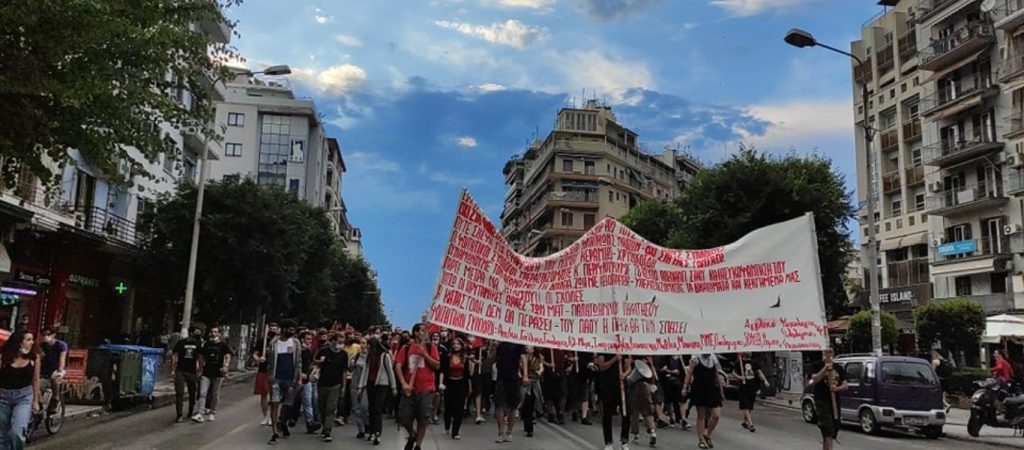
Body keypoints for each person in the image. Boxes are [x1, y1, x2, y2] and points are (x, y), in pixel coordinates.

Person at [395, 323, 441, 450]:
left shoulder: (431, 347)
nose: (424, 333)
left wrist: (425, 354)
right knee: (404, 418)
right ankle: (412, 435)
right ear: (415, 332)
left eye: (426, 331)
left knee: (423, 418)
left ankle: (418, 446)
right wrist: (404, 383)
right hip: (410, 389)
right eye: (421, 330)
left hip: (427, 388)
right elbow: (398, 366)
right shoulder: (406, 347)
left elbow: (437, 366)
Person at [0, 330, 41, 449]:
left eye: (32, 340)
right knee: (2, 435)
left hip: (23, 397)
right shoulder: (4, 357)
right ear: (19, 342)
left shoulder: (34, 358)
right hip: (3, 396)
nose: (32, 343)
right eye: (28, 340)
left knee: (17, 432)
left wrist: (35, 401)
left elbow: (36, 380)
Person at [357, 334, 397, 446]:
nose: (368, 347)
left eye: (369, 345)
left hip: (382, 384)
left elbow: (390, 372)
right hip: (370, 384)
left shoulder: (385, 356)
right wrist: (361, 386)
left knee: (377, 408)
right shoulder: (369, 356)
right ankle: (372, 430)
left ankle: (377, 432)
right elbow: (365, 371)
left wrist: (393, 387)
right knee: (371, 407)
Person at [267, 325, 301, 445]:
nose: (292, 332)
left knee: (287, 404)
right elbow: (269, 360)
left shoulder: (296, 343)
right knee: (275, 403)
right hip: (276, 378)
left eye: (293, 330)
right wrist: (269, 376)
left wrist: (298, 378)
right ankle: (274, 432)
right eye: (290, 329)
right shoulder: (273, 343)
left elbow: (298, 362)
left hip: (290, 379)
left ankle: (283, 422)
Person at [810, 348, 848, 450]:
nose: (828, 354)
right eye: (826, 352)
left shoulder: (839, 368)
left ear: (833, 353)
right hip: (822, 401)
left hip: (834, 402)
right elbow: (815, 379)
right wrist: (825, 368)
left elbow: (845, 385)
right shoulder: (817, 365)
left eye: (830, 352)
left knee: (833, 429)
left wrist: (837, 388)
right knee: (828, 428)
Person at [684, 354, 723, 449]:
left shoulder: (713, 358)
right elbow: (689, 373)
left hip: (712, 389)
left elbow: (716, 374)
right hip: (699, 388)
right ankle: (701, 439)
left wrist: (721, 389)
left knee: (716, 415)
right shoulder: (695, 358)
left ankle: (707, 434)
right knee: (701, 415)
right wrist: (685, 387)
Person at [315, 333, 348, 443]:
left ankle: (327, 430)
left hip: (336, 384)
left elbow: (344, 371)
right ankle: (325, 424)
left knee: (331, 407)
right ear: (332, 341)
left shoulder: (343, 354)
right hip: (322, 383)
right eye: (339, 342)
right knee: (322, 406)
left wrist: (343, 386)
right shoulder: (323, 351)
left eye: (342, 342)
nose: (340, 344)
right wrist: (320, 361)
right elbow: (314, 363)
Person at [195, 326, 232, 423]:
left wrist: (226, 366)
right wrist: (200, 368)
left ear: (219, 334)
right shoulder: (207, 344)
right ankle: (200, 413)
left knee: (215, 394)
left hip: (218, 373)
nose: (213, 334)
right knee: (202, 393)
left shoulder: (223, 345)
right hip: (206, 372)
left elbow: (228, 355)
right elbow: (201, 356)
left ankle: (212, 412)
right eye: (212, 332)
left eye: (215, 332)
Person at [595, 352, 630, 450]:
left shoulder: (624, 349)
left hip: (622, 386)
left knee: (626, 413)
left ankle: (624, 441)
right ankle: (608, 442)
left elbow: (628, 367)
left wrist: (625, 374)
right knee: (607, 414)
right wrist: (615, 359)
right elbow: (602, 367)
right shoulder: (604, 349)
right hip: (608, 386)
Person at [493, 340, 526, 444]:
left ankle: (509, 432)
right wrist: (494, 346)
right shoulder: (500, 344)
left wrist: (525, 374)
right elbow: (494, 358)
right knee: (499, 405)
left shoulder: (518, 343)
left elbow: (523, 358)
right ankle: (500, 433)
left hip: (513, 378)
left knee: (513, 405)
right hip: (501, 378)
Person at [441, 337, 471, 439]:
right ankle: (447, 426)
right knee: (448, 407)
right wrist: (441, 383)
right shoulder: (447, 357)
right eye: (454, 344)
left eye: (458, 344)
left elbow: (467, 374)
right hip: (449, 383)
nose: (456, 346)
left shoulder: (465, 358)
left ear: (461, 346)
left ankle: (455, 432)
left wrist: (469, 387)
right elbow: (443, 371)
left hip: (461, 384)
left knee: (459, 409)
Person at [624, 356, 658, 447]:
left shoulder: (632, 356)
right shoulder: (649, 358)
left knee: (634, 411)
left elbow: (628, 367)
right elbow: (654, 376)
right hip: (646, 387)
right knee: (647, 411)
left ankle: (636, 434)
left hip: (634, 386)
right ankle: (652, 431)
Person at [171, 327, 203, 424]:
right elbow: (175, 356)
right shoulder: (181, 343)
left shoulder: (198, 344)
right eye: (196, 333)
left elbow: (201, 357)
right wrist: (173, 370)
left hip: (192, 371)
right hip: (180, 370)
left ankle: (190, 411)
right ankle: (179, 414)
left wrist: (200, 369)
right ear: (191, 333)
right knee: (179, 393)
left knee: (192, 392)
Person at [731, 353, 768, 433]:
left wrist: (765, 381)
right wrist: (739, 377)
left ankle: (745, 421)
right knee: (745, 405)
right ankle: (751, 424)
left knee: (750, 405)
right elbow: (733, 373)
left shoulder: (754, 363)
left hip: (752, 387)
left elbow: (759, 372)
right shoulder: (738, 362)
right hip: (743, 387)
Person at [253, 322, 279, 426]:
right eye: (271, 328)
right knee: (264, 395)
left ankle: (273, 417)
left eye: (274, 328)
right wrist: (259, 359)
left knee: (275, 395)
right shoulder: (262, 341)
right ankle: (265, 416)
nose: (272, 330)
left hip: (275, 371)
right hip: (263, 370)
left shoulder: (279, 342)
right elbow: (254, 354)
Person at [39, 328, 67, 414]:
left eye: (48, 334)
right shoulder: (41, 345)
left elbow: (62, 360)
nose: (45, 337)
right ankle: (40, 405)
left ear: (53, 335)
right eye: (43, 335)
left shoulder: (61, 345)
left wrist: (60, 371)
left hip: (56, 369)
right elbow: (39, 357)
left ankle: (55, 398)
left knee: (55, 378)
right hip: (43, 370)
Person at [660, 354, 689, 430]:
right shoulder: (666, 358)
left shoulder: (681, 358)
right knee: (669, 401)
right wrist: (669, 371)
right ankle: (671, 418)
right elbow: (663, 369)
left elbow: (683, 371)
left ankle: (683, 419)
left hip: (678, 382)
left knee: (681, 401)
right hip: (668, 382)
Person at [521, 346, 545, 438]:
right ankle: (528, 426)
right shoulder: (522, 357)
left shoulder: (539, 357)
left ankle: (536, 413)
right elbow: (519, 367)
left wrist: (539, 371)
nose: (528, 349)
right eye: (527, 347)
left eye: (530, 348)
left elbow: (541, 367)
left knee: (536, 400)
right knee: (525, 402)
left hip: (535, 382)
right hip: (526, 382)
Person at [350, 341, 370, 439]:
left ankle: (367, 424)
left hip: (365, 384)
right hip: (355, 383)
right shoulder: (357, 356)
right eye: (361, 343)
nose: (363, 345)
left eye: (364, 343)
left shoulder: (370, 358)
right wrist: (350, 362)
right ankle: (361, 429)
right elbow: (350, 369)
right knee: (356, 409)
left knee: (364, 407)